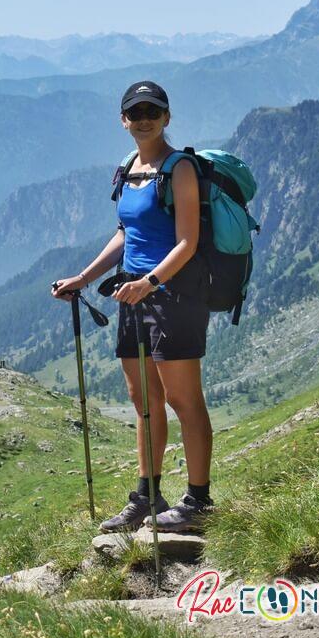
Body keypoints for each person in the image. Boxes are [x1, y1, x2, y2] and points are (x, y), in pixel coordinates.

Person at [51, 81, 214, 533]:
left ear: (167, 116)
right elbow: (125, 234)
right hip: (133, 295)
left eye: (152, 110)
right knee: (144, 401)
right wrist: (83, 278)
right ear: (123, 119)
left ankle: (199, 502)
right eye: (134, 111)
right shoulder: (128, 168)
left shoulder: (178, 168)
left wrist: (151, 281)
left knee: (184, 400)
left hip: (174, 297)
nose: (143, 118)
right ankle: (147, 495)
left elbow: (188, 241)